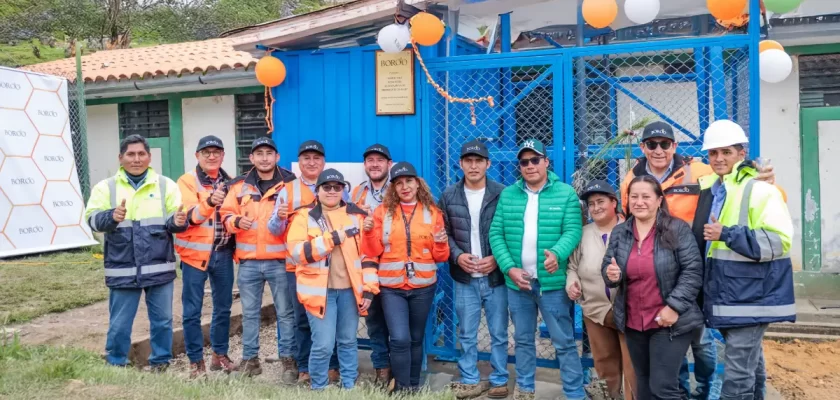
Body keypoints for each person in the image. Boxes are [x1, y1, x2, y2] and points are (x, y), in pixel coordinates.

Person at [619, 121, 781, 399]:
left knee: (704, 343)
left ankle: (707, 392)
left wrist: (766, 183)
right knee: (670, 345)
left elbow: (741, 188)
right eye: (652, 144)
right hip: (661, 275)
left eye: (665, 144)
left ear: (675, 146)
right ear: (642, 148)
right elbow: (629, 224)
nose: (658, 150)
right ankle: (678, 391)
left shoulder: (700, 171)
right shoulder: (631, 180)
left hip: (701, 270)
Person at [691, 120, 795, 400]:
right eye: (713, 153)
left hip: (751, 296)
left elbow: (779, 241)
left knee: (737, 377)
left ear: (741, 153)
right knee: (751, 364)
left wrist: (726, 234)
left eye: (726, 151)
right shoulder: (710, 189)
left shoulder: (759, 189)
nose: (719, 158)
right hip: (726, 295)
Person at [488, 139, 586, 400]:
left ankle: (575, 393)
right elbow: (496, 234)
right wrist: (509, 269)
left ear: (546, 162)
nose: (530, 166)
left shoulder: (565, 193)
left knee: (564, 342)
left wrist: (557, 253)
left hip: (552, 284)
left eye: (535, 160)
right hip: (518, 285)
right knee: (522, 340)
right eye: (524, 162)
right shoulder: (508, 194)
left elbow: (573, 230)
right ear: (519, 166)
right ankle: (525, 388)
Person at [84, 134, 187, 371]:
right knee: (120, 323)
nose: (136, 159)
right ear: (121, 158)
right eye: (130, 154)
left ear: (149, 157)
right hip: (122, 267)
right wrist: (110, 216)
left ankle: (160, 362)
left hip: (158, 265)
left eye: (141, 154)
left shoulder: (165, 185)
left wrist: (179, 221)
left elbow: (174, 219)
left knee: (162, 322)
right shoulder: (105, 187)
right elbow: (91, 220)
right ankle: (116, 363)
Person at [602, 175, 705, 400]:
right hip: (633, 322)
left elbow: (693, 271)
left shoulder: (676, 229)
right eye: (634, 197)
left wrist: (673, 307)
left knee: (663, 388)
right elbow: (608, 268)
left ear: (659, 200)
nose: (639, 202)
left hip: (668, 321)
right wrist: (612, 276)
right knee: (645, 385)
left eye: (646, 197)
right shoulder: (621, 232)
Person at [286, 169, 380, 390]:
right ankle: (318, 387)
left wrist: (368, 288)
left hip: (349, 290)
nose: (331, 191)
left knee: (348, 341)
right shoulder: (304, 217)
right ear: (317, 191)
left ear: (343, 191)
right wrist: (331, 239)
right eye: (326, 187)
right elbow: (297, 253)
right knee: (323, 345)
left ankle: (349, 385)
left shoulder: (357, 216)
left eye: (337, 187)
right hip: (320, 292)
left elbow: (368, 256)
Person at [362, 162, 450, 393]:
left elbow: (441, 256)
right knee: (399, 338)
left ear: (417, 183)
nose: (404, 187)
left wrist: (441, 243)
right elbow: (372, 251)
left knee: (415, 338)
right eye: (399, 183)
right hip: (392, 287)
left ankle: (413, 386)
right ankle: (401, 388)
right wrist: (369, 231)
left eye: (408, 181)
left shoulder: (432, 213)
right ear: (393, 188)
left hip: (422, 286)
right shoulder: (383, 212)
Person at [220, 136, 297, 382]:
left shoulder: (291, 184)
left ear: (277, 157)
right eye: (259, 154)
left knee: (285, 313)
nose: (264, 158)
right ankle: (250, 360)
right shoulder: (239, 186)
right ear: (251, 158)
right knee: (249, 313)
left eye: (269, 153)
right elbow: (225, 215)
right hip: (249, 262)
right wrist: (234, 222)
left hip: (280, 261)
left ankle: (288, 360)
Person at [438, 140, 509, 399]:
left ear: (488, 164)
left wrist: (497, 260)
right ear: (461, 164)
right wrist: (457, 256)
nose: (474, 165)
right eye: (468, 160)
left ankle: (499, 378)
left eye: (479, 161)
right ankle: (469, 377)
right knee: (467, 332)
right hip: (465, 277)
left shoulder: (502, 193)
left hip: (495, 276)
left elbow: (511, 233)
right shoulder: (449, 195)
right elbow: (442, 233)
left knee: (499, 332)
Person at [268, 139, 340, 384]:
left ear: (323, 161)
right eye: (306, 158)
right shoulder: (287, 190)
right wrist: (278, 219)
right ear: (299, 163)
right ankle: (305, 367)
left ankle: (332, 366)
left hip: (333, 266)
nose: (312, 162)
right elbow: (274, 229)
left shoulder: (337, 187)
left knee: (331, 318)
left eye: (316, 158)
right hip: (297, 267)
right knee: (302, 318)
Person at [174, 135, 237, 378]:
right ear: (197, 156)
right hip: (194, 256)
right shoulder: (187, 181)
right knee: (192, 311)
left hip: (223, 254)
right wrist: (211, 201)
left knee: (223, 308)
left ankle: (219, 354)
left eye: (216, 152)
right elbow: (190, 216)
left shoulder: (230, 181)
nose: (212, 156)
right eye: (206, 152)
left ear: (223, 155)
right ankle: (195, 361)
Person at [567, 180, 635, 400]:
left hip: (630, 309)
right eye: (591, 204)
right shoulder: (584, 233)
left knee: (632, 363)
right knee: (604, 361)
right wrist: (572, 282)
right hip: (596, 310)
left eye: (601, 202)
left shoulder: (632, 230)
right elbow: (573, 266)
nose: (595, 207)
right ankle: (611, 396)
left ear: (614, 202)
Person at [349, 143, 394, 386]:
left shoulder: (399, 188)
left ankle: (400, 370)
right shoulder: (356, 193)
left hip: (394, 265)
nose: (374, 164)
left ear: (389, 164)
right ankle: (381, 370)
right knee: (374, 321)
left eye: (380, 160)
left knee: (397, 324)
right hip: (367, 267)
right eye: (370, 160)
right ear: (365, 165)